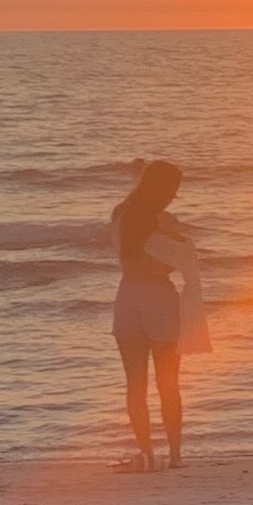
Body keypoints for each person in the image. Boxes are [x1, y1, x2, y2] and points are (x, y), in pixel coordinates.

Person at [108, 160, 202, 470]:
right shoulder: (165, 221)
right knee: (168, 383)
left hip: (128, 297)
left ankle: (147, 453)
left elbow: (127, 255)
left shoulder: (120, 215)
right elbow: (170, 264)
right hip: (159, 299)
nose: (173, 197)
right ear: (161, 190)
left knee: (135, 384)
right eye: (172, 191)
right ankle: (175, 456)